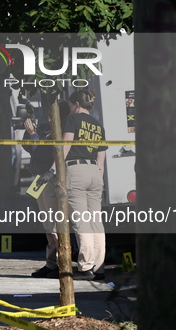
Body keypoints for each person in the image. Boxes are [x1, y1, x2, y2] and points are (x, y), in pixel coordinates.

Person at [61, 89, 107, 281]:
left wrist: (55, 170)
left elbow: (66, 146)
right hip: (95, 173)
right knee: (96, 221)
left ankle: (86, 266)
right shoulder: (98, 125)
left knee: (81, 221)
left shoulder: (73, 119)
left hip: (76, 170)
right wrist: (99, 177)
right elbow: (101, 158)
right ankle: (99, 266)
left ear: (77, 104)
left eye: (71, 105)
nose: (70, 109)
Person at [22, 101, 70, 278]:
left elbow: (43, 153)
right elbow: (29, 148)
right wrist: (31, 133)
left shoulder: (60, 132)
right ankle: (51, 262)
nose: (48, 118)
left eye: (52, 115)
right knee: (46, 222)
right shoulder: (47, 130)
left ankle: (59, 262)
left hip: (49, 178)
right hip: (39, 178)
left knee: (53, 221)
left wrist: (34, 135)